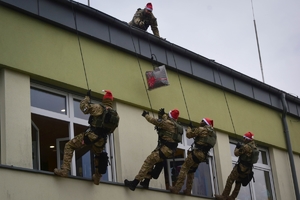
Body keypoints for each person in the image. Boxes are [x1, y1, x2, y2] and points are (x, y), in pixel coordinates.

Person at [54, 89, 119, 185]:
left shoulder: (99, 108)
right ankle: (97, 178)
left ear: (104, 100)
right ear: (111, 101)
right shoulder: (116, 116)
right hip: (101, 140)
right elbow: (112, 130)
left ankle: (64, 170)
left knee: (69, 145)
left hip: (91, 136)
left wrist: (87, 98)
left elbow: (84, 108)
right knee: (98, 156)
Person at [124, 108, 183, 191]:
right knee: (152, 162)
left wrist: (146, 115)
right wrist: (163, 115)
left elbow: (154, 121)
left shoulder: (168, 123)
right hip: (168, 152)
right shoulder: (177, 126)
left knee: (148, 162)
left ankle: (134, 183)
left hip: (163, 150)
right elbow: (167, 122)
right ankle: (146, 182)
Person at [169, 118, 216, 195]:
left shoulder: (201, 129)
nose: (200, 122)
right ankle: (188, 190)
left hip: (196, 153)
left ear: (205, 123)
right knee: (191, 171)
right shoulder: (213, 134)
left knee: (184, 168)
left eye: (202, 121)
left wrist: (189, 128)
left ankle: (177, 188)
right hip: (202, 156)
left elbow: (188, 135)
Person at [215, 132, 259, 200]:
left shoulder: (246, 147)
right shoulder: (255, 147)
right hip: (248, 170)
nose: (243, 139)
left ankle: (224, 196)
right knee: (238, 182)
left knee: (230, 179)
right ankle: (232, 197)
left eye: (244, 138)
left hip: (241, 167)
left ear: (248, 139)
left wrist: (237, 147)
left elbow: (236, 153)